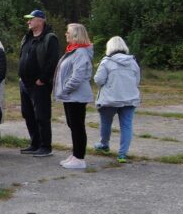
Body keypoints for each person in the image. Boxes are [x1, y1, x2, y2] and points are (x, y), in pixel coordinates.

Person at [18, 9, 60, 158]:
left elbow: (52, 61)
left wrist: (42, 79)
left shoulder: (50, 38)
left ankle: (45, 146)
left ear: (41, 20)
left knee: (41, 115)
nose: (28, 22)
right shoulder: (27, 37)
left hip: (39, 84)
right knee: (27, 113)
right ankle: (34, 143)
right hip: (24, 83)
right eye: (28, 19)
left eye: (31, 19)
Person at [93, 36, 141, 164]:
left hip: (110, 100)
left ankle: (104, 145)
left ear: (110, 47)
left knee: (106, 123)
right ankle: (122, 154)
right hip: (130, 99)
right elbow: (137, 80)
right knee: (126, 126)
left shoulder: (106, 62)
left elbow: (98, 80)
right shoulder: (133, 62)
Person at [53, 23, 94, 169]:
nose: (66, 34)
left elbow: (77, 77)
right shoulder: (73, 51)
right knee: (73, 125)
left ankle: (79, 158)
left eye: (68, 32)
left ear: (76, 35)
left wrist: (64, 90)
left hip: (76, 96)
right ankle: (75, 154)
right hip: (71, 96)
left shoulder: (81, 53)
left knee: (77, 126)